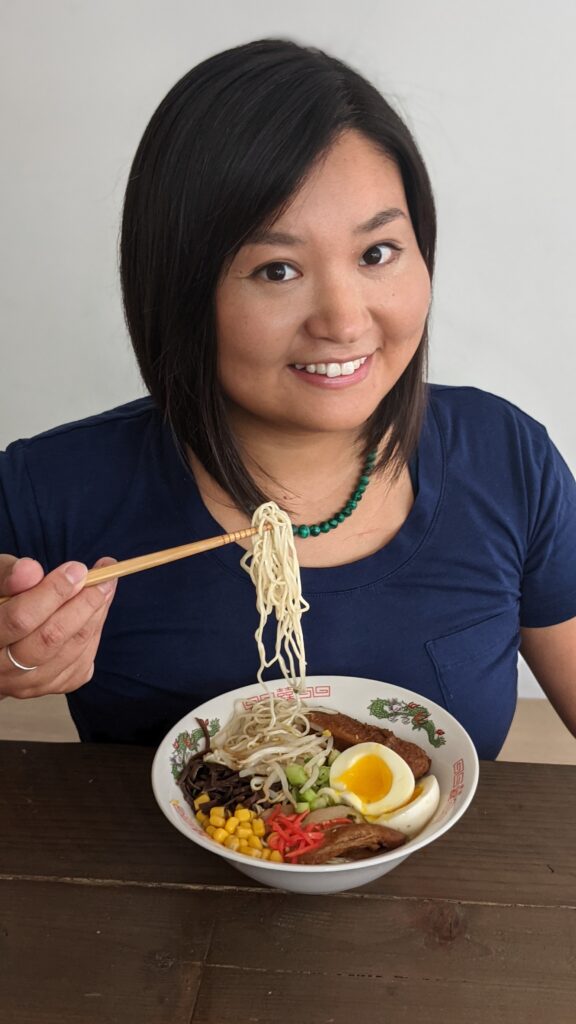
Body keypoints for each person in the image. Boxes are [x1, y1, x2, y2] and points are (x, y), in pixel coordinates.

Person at [0, 39, 575, 757]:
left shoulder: (505, 458)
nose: (343, 320)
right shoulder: (50, 490)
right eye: (277, 269)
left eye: (377, 254)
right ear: (179, 291)